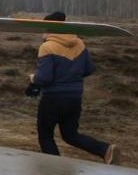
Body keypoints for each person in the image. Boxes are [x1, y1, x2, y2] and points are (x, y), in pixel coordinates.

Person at [29, 11, 119, 164]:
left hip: (53, 98)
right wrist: (70, 77)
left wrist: (33, 79)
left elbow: (44, 78)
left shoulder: (47, 47)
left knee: (45, 135)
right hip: (74, 97)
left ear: (50, 28)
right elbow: (89, 69)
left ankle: (54, 168)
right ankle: (105, 149)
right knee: (70, 134)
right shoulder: (80, 43)